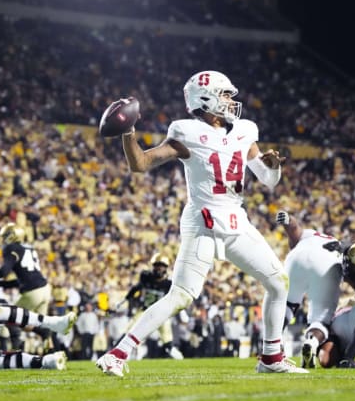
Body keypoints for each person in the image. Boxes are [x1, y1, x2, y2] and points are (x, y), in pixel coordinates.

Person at [97, 70, 307, 376]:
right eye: (224, 95)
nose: (230, 100)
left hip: (237, 221)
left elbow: (268, 180)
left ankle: (271, 358)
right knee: (181, 295)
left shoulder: (245, 130)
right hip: (203, 221)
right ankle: (118, 354)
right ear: (206, 99)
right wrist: (128, 133)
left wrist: (273, 166)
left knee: (278, 282)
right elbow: (139, 164)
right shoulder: (186, 132)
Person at [275, 210, 344, 369]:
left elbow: (293, 229)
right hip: (329, 262)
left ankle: (273, 347)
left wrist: (287, 220)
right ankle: (312, 341)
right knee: (320, 320)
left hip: (297, 259)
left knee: (287, 306)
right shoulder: (323, 238)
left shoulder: (306, 237)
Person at [0, 223, 51, 316]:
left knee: (8, 318)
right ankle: (50, 330)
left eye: (5, 236)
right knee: (37, 324)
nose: (3, 240)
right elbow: (20, 281)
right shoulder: (28, 248)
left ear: (12, 236)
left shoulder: (12, 248)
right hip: (45, 289)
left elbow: (4, 271)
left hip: (33, 292)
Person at [121, 253, 183, 360]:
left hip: (160, 312)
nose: (158, 268)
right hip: (145, 309)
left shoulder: (169, 284)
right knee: (129, 330)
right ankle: (121, 350)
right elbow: (137, 287)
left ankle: (170, 349)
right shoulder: (146, 277)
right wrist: (126, 299)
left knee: (166, 333)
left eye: (161, 266)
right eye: (156, 265)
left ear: (166, 268)